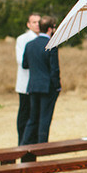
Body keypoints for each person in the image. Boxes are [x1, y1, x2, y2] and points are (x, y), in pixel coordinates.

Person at [21, 16, 61, 145]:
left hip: (33, 86)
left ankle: (24, 144)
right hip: (47, 87)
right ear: (50, 29)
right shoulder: (51, 45)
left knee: (33, 118)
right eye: (54, 27)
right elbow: (54, 69)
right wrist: (57, 86)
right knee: (45, 118)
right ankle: (42, 146)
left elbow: (24, 65)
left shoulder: (29, 45)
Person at [15, 12, 41, 144]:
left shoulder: (45, 38)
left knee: (35, 114)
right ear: (28, 24)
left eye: (38, 22)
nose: (37, 25)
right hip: (25, 83)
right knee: (24, 113)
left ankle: (33, 141)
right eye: (34, 22)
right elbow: (21, 60)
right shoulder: (22, 39)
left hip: (38, 84)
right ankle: (22, 141)